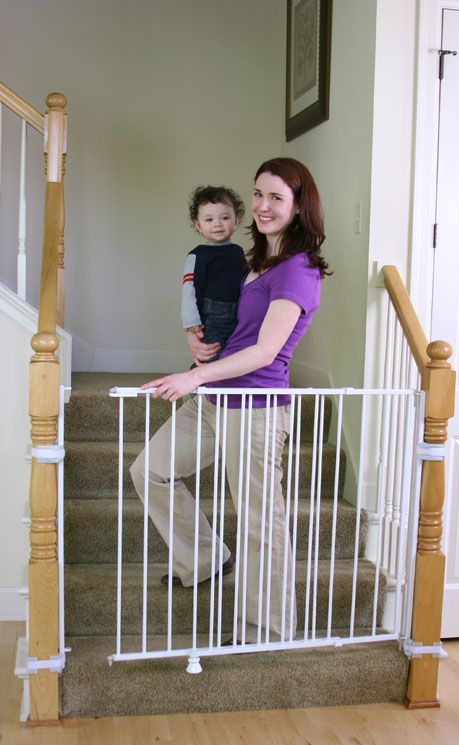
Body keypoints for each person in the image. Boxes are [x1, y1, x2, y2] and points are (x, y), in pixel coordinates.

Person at [130, 157, 329, 644]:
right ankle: (204, 558)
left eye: (275, 197)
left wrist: (192, 378)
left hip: (256, 408)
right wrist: (195, 347)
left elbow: (265, 350)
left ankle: (266, 627)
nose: (262, 206)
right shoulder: (253, 260)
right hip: (214, 396)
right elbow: (230, 330)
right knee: (148, 470)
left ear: (299, 206)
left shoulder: (299, 270)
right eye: (257, 194)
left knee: (262, 520)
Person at [181, 185, 246, 359]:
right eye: (209, 220)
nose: (217, 224)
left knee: (232, 357)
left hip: (239, 313)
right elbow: (189, 289)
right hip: (212, 317)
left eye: (225, 217)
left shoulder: (238, 251)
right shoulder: (198, 254)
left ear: (236, 219)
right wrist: (191, 321)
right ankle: (201, 382)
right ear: (198, 224)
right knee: (210, 355)